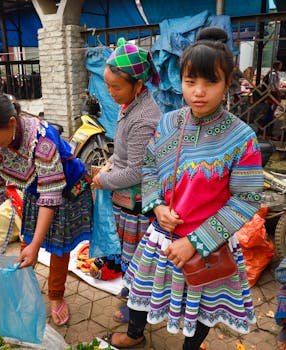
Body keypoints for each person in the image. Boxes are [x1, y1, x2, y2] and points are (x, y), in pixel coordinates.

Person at [107, 27, 264, 349]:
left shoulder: (241, 138)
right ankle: (136, 334)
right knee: (141, 290)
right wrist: (156, 206)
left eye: (211, 82)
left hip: (208, 245)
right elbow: (149, 167)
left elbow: (246, 200)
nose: (199, 92)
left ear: (228, 82)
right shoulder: (168, 123)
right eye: (191, 82)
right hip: (161, 235)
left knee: (201, 309)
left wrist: (195, 242)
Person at [0, 91, 93, 326]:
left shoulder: (43, 138)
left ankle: (56, 296)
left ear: (12, 123)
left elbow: (51, 194)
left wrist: (37, 245)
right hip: (35, 192)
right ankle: (26, 290)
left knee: (57, 248)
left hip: (65, 191)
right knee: (27, 241)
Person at [92, 37, 161, 322]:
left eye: (115, 87)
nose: (109, 93)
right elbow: (125, 154)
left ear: (138, 85)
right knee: (127, 254)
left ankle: (137, 314)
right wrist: (109, 163)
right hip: (125, 198)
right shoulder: (130, 105)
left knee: (136, 260)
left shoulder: (144, 118)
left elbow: (137, 171)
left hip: (137, 203)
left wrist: (102, 181)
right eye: (107, 85)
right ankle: (132, 293)